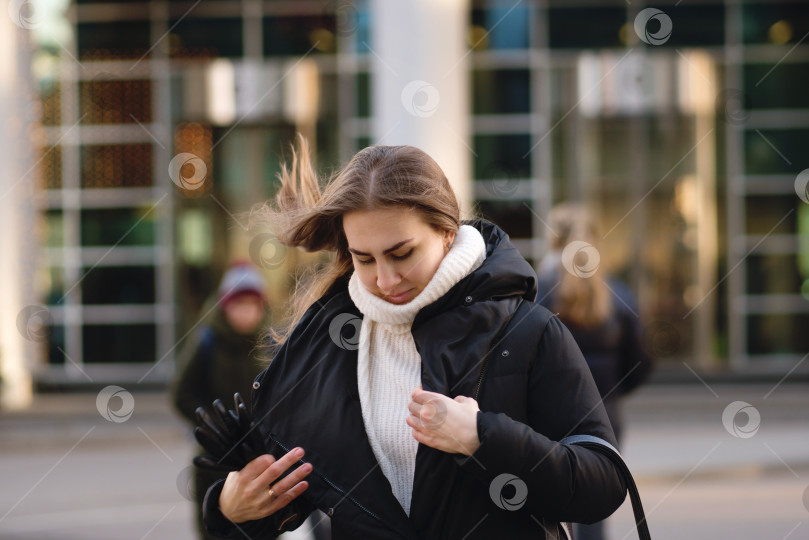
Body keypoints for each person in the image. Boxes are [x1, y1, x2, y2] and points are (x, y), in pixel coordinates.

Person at [200, 136, 628, 539]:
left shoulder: (528, 330)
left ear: (446, 231)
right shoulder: (326, 345)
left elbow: (603, 483)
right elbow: (297, 499)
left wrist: (482, 437)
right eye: (363, 258)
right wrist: (228, 507)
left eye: (401, 253)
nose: (385, 279)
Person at [536, 203, 654, 540]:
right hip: (605, 416)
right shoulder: (620, 292)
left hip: (549, 416)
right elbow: (642, 359)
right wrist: (613, 392)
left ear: (553, 240)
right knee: (593, 508)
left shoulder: (537, 292)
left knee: (548, 508)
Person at [171, 260, 273, 540]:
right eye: (239, 305)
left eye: (252, 305)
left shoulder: (270, 345)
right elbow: (181, 396)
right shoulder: (207, 342)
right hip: (214, 461)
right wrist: (216, 427)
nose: (246, 313)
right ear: (225, 307)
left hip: (260, 458)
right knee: (216, 532)